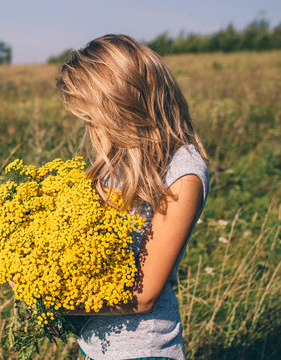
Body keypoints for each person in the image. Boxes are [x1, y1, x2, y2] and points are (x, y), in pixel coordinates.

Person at [56, 35, 209, 360]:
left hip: (143, 351)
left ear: (121, 103)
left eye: (92, 115)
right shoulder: (117, 163)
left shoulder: (183, 171)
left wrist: (49, 298)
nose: (89, 126)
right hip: (93, 346)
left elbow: (144, 294)